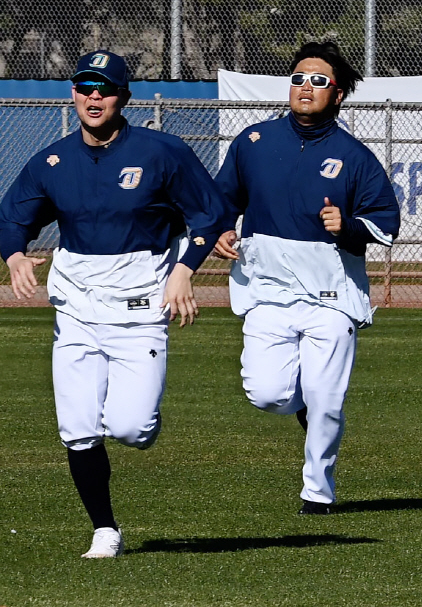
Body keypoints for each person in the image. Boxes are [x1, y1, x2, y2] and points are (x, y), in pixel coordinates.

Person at [0, 50, 232, 558]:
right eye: (85, 86)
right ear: (73, 94)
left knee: (132, 428)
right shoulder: (53, 161)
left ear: (123, 96)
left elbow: (209, 215)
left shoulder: (162, 152)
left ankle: (132, 418)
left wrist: (184, 271)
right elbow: (12, 218)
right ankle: (105, 529)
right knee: (78, 429)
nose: (93, 96)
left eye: (104, 88)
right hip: (77, 311)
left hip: (140, 309)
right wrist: (15, 255)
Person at [213, 41, 400, 515]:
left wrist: (350, 226)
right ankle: (308, 406)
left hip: (331, 297)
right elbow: (219, 203)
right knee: (267, 394)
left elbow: (386, 222)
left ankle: (318, 492)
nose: (306, 87)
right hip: (268, 292)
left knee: (327, 400)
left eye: (319, 81)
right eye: (298, 78)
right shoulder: (253, 142)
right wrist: (217, 232)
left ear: (337, 95)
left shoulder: (354, 156)